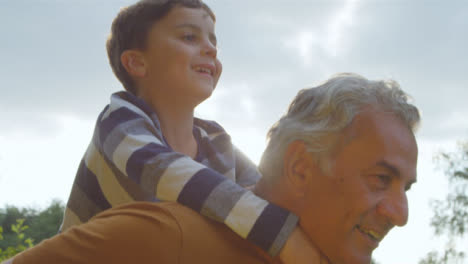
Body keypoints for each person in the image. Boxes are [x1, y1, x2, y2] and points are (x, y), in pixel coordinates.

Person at [6, 73, 421, 264]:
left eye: (405, 188)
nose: (400, 215)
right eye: (381, 180)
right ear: (299, 167)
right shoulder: (169, 238)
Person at [60, 0, 309, 262]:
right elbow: (165, 171)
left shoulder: (218, 143)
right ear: (137, 63)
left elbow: (263, 192)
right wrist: (284, 235)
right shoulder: (120, 121)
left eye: (214, 41)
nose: (211, 49)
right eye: (190, 37)